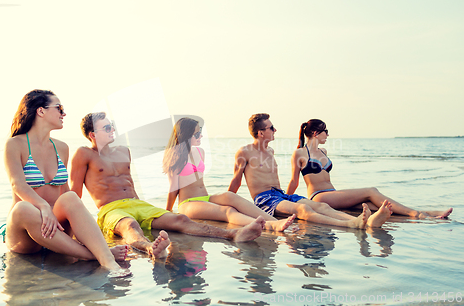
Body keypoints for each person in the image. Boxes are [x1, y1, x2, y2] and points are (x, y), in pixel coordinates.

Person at [69, 113, 263, 260]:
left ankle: (233, 234)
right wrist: (76, 229)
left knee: (180, 219)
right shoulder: (84, 154)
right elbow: (74, 194)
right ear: (92, 134)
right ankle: (149, 248)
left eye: (112, 126)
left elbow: (130, 184)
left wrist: (144, 206)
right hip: (110, 208)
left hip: (138, 204)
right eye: (107, 127)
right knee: (130, 225)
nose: (112, 129)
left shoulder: (123, 151)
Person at [4, 90, 128, 274]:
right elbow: (18, 185)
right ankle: (99, 255)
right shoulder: (15, 144)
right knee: (23, 208)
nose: (64, 114)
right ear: (41, 111)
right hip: (26, 236)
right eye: (59, 108)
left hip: (56, 230)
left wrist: (85, 236)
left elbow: (67, 197)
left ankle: (107, 261)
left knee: (70, 196)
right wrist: (44, 207)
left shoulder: (61, 148)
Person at [229, 113, 393, 229]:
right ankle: (349, 224)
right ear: (261, 132)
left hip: (280, 195)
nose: (275, 130)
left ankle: (366, 221)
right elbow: (236, 181)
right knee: (303, 210)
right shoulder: (244, 152)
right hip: (264, 199)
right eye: (271, 128)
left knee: (322, 206)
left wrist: (287, 197)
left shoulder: (270, 151)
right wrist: (227, 202)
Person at [286, 119, 453, 219]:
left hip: (334, 195)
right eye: (325, 131)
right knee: (371, 191)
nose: (328, 135)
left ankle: (429, 214)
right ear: (316, 133)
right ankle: (416, 214)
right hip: (319, 197)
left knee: (377, 207)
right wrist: (285, 201)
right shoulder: (300, 153)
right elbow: (294, 181)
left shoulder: (323, 151)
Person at [163, 117, 296, 232]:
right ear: (185, 135)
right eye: (197, 134)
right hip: (188, 203)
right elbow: (173, 188)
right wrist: (168, 212)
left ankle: (276, 221)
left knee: (230, 196)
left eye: (201, 132)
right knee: (228, 211)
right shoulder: (176, 157)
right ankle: (269, 226)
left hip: (205, 198)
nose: (201, 136)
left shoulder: (200, 152)